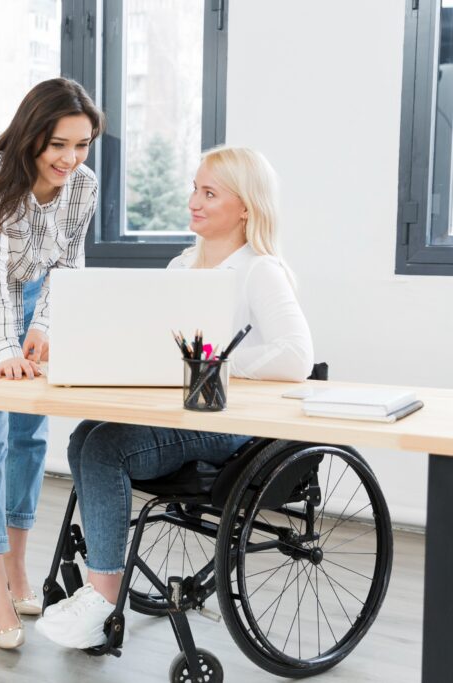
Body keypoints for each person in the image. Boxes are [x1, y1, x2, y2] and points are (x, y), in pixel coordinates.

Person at [36, 146, 314, 649]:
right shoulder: (182, 266)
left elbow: (297, 355)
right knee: (84, 437)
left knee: (104, 448)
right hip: (183, 417)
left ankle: (101, 596)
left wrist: (213, 369)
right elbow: (152, 344)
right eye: (194, 188)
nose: (194, 201)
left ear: (246, 207)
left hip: (230, 427)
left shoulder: (258, 270)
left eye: (209, 193)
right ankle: (105, 579)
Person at [0, 78, 103, 649]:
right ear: (33, 136)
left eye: (81, 145)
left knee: (32, 436)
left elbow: (70, 263)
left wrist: (46, 325)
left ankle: (17, 568)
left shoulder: (83, 185)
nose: (70, 159)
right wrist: (5, 349)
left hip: (31, 298)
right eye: (59, 144)